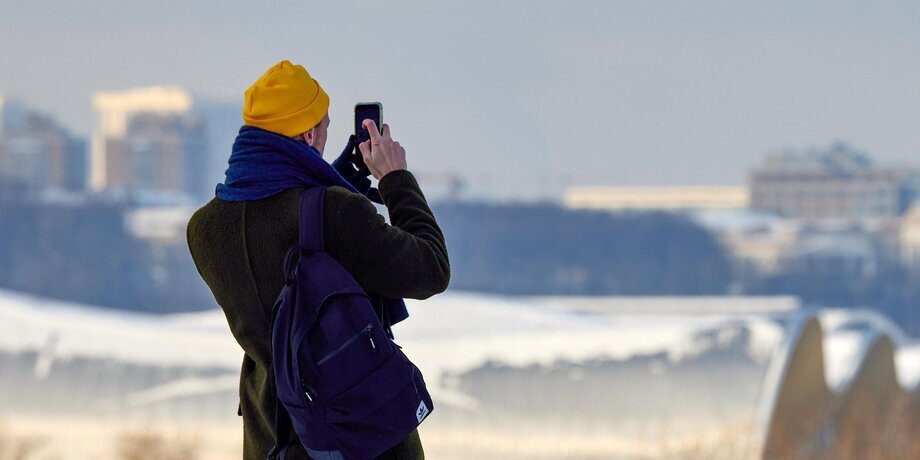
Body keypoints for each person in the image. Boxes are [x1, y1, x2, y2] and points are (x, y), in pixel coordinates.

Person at [186, 60, 450, 459]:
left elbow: (277, 233)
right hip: (360, 437)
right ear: (308, 134)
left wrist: (334, 180)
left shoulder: (204, 229)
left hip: (271, 439)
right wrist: (395, 180)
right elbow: (430, 269)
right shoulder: (335, 213)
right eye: (324, 127)